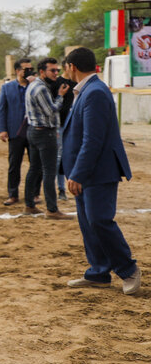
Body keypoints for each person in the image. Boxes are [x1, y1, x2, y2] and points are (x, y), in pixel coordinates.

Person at [61, 47, 141, 295]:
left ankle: (128, 270)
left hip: (98, 171)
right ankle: (98, 273)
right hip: (86, 170)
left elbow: (92, 140)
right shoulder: (86, 90)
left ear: (72, 67)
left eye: (65, 66)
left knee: (99, 221)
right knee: (88, 223)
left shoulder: (94, 92)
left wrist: (77, 174)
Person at [23, 58, 70, 219]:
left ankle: (29, 205)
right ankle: (52, 209)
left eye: (57, 70)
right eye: (53, 70)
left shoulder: (34, 85)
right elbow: (51, 110)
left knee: (34, 169)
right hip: (44, 133)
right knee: (49, 171)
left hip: (34, 131)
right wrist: (60, 96)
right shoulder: (41, 88)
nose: (56, 73)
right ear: (42, 72)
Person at [0, 59, 33, 206]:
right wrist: (2, 129)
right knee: (14, 165)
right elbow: (2, 109)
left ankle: (34, 194)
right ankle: (13, 194)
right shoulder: (7, 88)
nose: (29, 72)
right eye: (26, 69)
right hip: (15, 132)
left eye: (31, 69)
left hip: (33, 131)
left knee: (35, 164)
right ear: (18, 71)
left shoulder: (36, 86)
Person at [48, 66, 76, 201]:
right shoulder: (56, 84)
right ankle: (58, 189)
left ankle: (63, 188)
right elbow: (52, 107)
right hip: (58, 126)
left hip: (71, 126)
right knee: (57, 159)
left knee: (66, 157)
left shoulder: (76, 84)